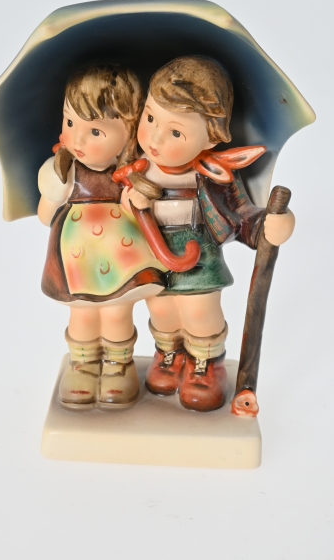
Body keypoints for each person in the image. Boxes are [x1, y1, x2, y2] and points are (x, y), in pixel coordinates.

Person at [123, 56, 295, 411]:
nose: (155, 137)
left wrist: (270, 227)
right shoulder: (137, 167)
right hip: (152, 255)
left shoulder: (214, 177)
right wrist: (131, 203)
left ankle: (204, 363)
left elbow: (242, 217)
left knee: (199, 313)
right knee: (161, 310)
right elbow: (118, 210)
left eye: (176, 133)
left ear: (211, 138)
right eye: (150, 118)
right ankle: (168, 354)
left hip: (197, 254)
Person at [37, 61, 166, 410]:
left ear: (130, 134)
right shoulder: (66, 171)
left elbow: (143, 215)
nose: (77, 139)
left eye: (95, 131)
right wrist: (52, 192)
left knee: (116, 313)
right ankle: (83, 365)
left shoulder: (131, 174)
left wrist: (137, 201)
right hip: (76, 255)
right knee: (81, 315)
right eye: (69, 122)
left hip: (120, 254)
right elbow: (45, 216)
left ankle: (118, 365)